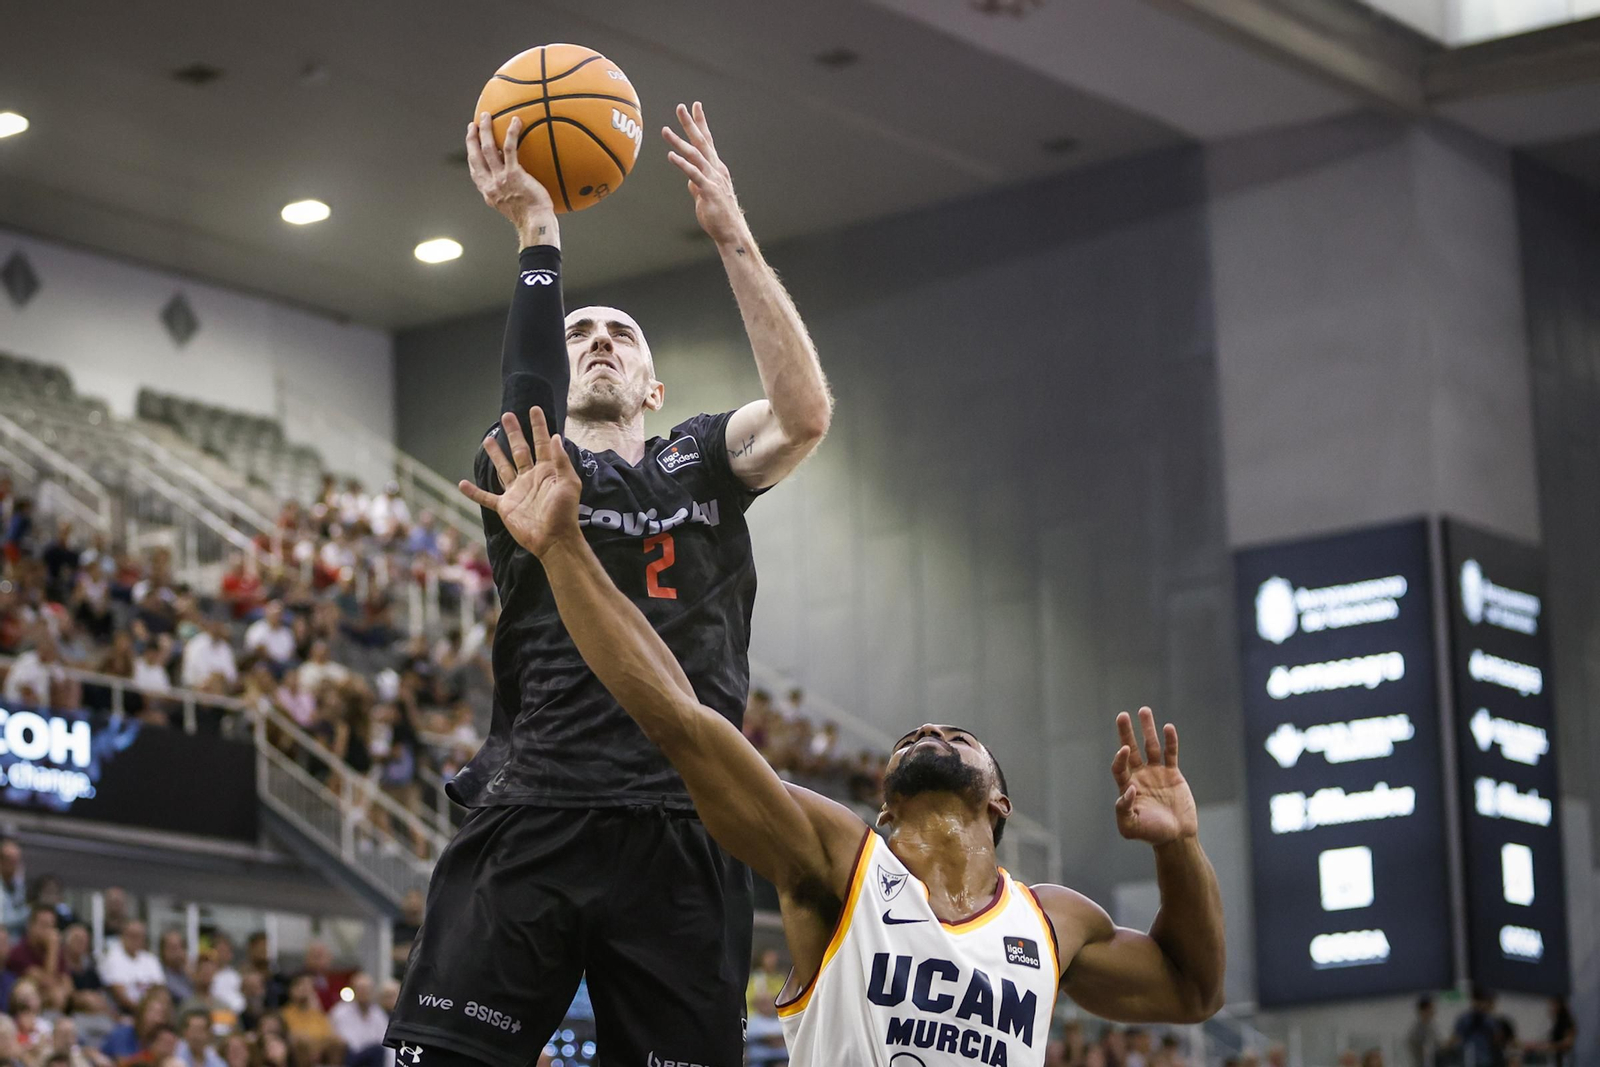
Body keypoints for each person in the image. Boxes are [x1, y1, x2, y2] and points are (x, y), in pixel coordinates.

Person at [456, 409, 1225, 1065]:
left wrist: (1178, 846)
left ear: (1000, 802)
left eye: (955, 731)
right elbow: (683, 724)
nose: (930, 729)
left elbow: (1192, 990)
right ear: (885, 807)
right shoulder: (840, 862)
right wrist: (562, 550)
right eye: (914, 735)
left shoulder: (1052, 920)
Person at [386, 99, 833, 1067]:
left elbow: (803, 415)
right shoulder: (523, 465)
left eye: (620, 335)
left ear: (652, 387)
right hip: (537, 803)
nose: (595, 339)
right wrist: (538, 237)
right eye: (579, 326)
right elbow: (531, 395)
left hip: (686, 817)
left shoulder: (700, 460)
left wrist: (731, 233)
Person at [101, 922, 165, 1013]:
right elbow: (120, 995)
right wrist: (143, 1012)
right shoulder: (112, 958)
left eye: (139, 936)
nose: (135, 940)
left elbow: (160, 990)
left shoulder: (151, 959)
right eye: (132, 935)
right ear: (122, 937)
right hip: (126, 1012)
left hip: (152, 1011)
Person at [327, 973, 386, 1067]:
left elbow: (382, 1040)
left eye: (367, 989)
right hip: (348, 1056)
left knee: (379, 1051)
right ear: (354, 990)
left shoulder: (378, 1014)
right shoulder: (340, 1011)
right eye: (360, 989)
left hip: (371, 1056)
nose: (364, 993)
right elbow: (343, 1039)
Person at [1451, 987, 1506, 1067]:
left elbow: (1497, 1039)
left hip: (1483, 1059)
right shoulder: (1465, 1019)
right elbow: (1456, 1038)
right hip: (1469, 1059)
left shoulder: (1489, 1020)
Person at [1525, 998, 1575, 1067]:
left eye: (1552, 1006)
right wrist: (1535, 1046)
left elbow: (1567, 1044)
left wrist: (1545, 1047)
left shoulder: (1567, 1023)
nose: (1550, 1009)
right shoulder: (1557, 1023)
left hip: (1564, 1060)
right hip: (1556, 1059)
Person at [1409, 995, 1439, 1067]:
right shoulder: (1417, 1031)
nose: (1434, 1011)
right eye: (1431, 1008)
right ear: (1425, 1010)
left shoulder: (1430, 1027)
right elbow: (1426, 1054)